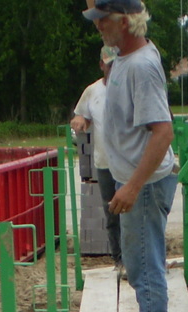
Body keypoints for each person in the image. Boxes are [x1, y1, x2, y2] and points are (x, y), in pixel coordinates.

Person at [85, 0, 178, 312]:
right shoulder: (124, 57)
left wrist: (133, 187)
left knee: (145, 268)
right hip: (137, 182)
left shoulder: (140, 66)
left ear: (124, 21)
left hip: (145, 185)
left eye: (103, 20)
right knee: (142, 265)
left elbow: (163, 132)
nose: (97, 27)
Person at [71, 46, 123, 266]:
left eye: (117, 64)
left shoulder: (128, 87)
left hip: (128, 164)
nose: (113, 69)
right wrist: (80, 121)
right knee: (112, 214)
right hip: (104, 164)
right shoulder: (92, 91)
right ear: (102, 65)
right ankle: (119, 260)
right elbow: (81, 116)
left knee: (133, 215)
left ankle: (136, 260)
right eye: (109, 65)